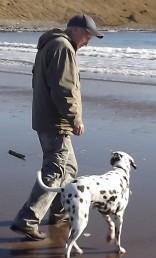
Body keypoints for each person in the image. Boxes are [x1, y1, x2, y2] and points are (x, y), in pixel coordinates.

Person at [10, 14, 103, 241]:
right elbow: (65, 88)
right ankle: (28, 219)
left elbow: (40, 81)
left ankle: (59, 212)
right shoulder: (63, 47)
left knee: (69, 167)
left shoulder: (50, 44)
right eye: (88, 36)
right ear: (77, 30)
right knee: (56, 169)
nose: (88, 42)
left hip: (46, 117)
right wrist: (74, 119)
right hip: (55, 121)